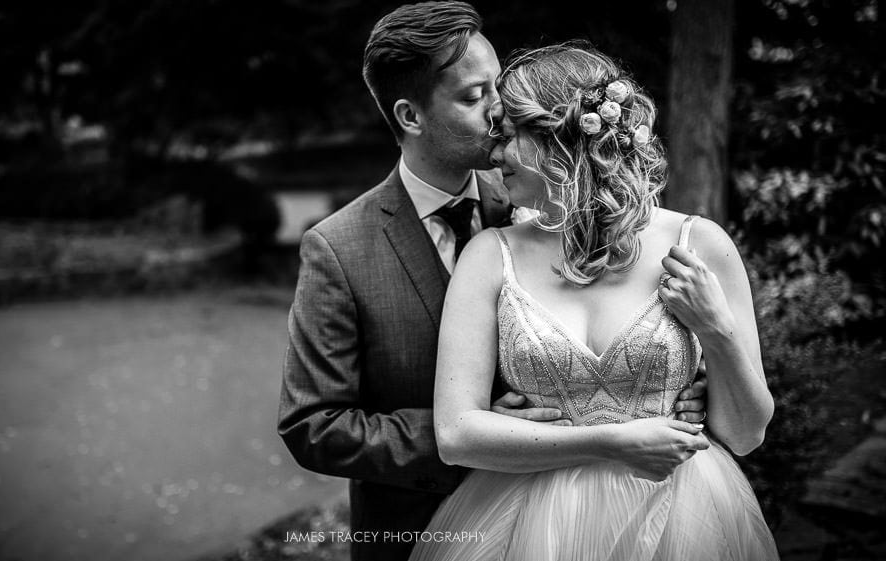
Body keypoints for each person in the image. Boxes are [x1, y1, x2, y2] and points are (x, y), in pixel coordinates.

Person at [277, 4, 706, 561]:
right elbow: (314, 424)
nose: (499, 111)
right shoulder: (339, 248)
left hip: (589, 523)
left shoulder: (544, 199)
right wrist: (476, 435)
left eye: (496, 87)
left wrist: (683, 386)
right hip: (422, 529)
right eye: (473, 96)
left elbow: (630, 316)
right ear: (411, 116)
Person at [408, 43, 778, 560]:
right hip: (528, 521)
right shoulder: (490, 256)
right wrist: (612, 442)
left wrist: (717, 331)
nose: (493, 156)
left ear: (557, 139)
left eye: (508, 135)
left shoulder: (698, 244)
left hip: (683, 515)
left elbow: (745, 435)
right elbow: (456, 434)